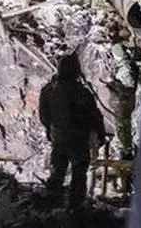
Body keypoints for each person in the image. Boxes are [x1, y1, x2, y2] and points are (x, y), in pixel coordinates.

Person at [39, 53, 106, 210]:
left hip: (59, 138)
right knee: (79, 174)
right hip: (78, 140)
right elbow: (95, 116)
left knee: (57, 172)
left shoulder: (48, 90)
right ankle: (74, 209)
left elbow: (44, 115)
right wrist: (100, 134)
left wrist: (50, 129)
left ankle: (51, 206)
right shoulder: (83, 93)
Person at [107, 43, 141, 160]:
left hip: (125, 103)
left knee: (124, 127)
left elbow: (128, 88)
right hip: (125, 102)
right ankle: (125, 149)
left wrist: (115, 86)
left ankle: (126, 151)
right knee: (123, 127)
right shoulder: (126, 66)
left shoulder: (126, 68)